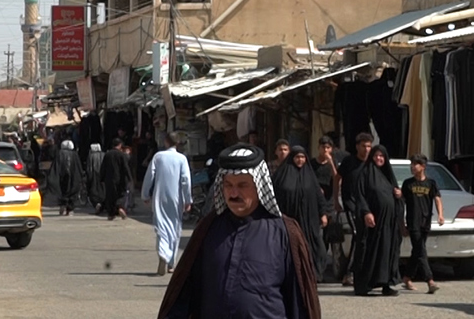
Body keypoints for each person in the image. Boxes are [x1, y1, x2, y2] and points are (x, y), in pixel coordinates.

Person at [158, 143, 322, 319]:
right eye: (228, 185)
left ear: (259, 187)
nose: (234, 193)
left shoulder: (285, 232)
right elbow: (185, 292)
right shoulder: (208, 229)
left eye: (243, 185)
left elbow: (300, 300)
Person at [272, 146, 332, 283]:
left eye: (303, 157)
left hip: (309, 220)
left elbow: (318, 196)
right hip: (289, 220)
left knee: (316, 247)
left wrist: (323, 213)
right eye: (297, 157)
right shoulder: (281, 176)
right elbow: (274, 196)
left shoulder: (310, 176)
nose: (300, 160)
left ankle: (313, 274)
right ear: (292, 158)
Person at [350, 145, 403, 296]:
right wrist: (366, 212)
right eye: (376, 156)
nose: (379, 159)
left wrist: (398, 195)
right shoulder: (365, 173)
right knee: (369, 252)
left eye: (382, 156)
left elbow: (396, 194)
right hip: (373, 223)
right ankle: (364, 285)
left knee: (388, 253)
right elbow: (359, 195)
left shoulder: (387, 175)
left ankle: (387, 284)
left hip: (389, 224)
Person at [142, 133, 192, 276]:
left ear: (166, 141)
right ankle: (171, 263)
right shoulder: (182, 159)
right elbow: (186, 180)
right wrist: (188, 199)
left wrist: (145, 194)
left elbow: (149, 176)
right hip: (176, 198)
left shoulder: (158, 157)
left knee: (161, 228)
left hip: (160, 197)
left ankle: (163, 254)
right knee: (174, 229)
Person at [400, 154, 443, 294]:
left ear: (423, 167)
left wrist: (440, 215)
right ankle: (430, 281)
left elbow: (437, 199)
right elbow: (401, 204)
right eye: (411, 164)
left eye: (415, 164)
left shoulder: (431, 183)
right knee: (421, 250)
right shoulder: (408, 184)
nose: (412, 167)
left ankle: (407, 277)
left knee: (417, 250)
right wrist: (402, 223)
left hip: (426, 221)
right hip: (413, 222)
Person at [336, 132, 373, 286]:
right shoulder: (348, 162)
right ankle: (349, 272)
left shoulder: (372, 163)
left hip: (368, 205)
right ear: (357, 147)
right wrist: (335, 200)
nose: (366, 149)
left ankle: (363, 270)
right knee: (357, 235)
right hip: (351, 203)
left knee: (365, 237)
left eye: (369, 146)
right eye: (363, 146)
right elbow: (337, 178)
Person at [47, 140, 85, 216]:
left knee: (63, 190)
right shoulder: (74, 155)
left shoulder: (60, 154)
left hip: (62, 177)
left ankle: (63, 206)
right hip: (73, 177)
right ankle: (69, 209)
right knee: (72, 191)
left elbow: (56, 166)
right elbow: (78, 167)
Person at [99, 139, 133, 220]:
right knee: (121, 194)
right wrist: (129, 178)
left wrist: (101, 178)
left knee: (110, 196)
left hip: (109, 179)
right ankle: (120, 207)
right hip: (120, 179)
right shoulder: (122, 155)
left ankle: (111, 214)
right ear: (120, 145)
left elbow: (103, 167)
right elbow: (125, 167)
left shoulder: (107, 154)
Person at [85, 143, 109, 214]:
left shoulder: (91, 156)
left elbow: (89, 168)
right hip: (103, 175)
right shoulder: (104, 154)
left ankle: (96, 204)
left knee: (94, 191)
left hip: (94, 175)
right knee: (103, 190)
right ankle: (102, 205)